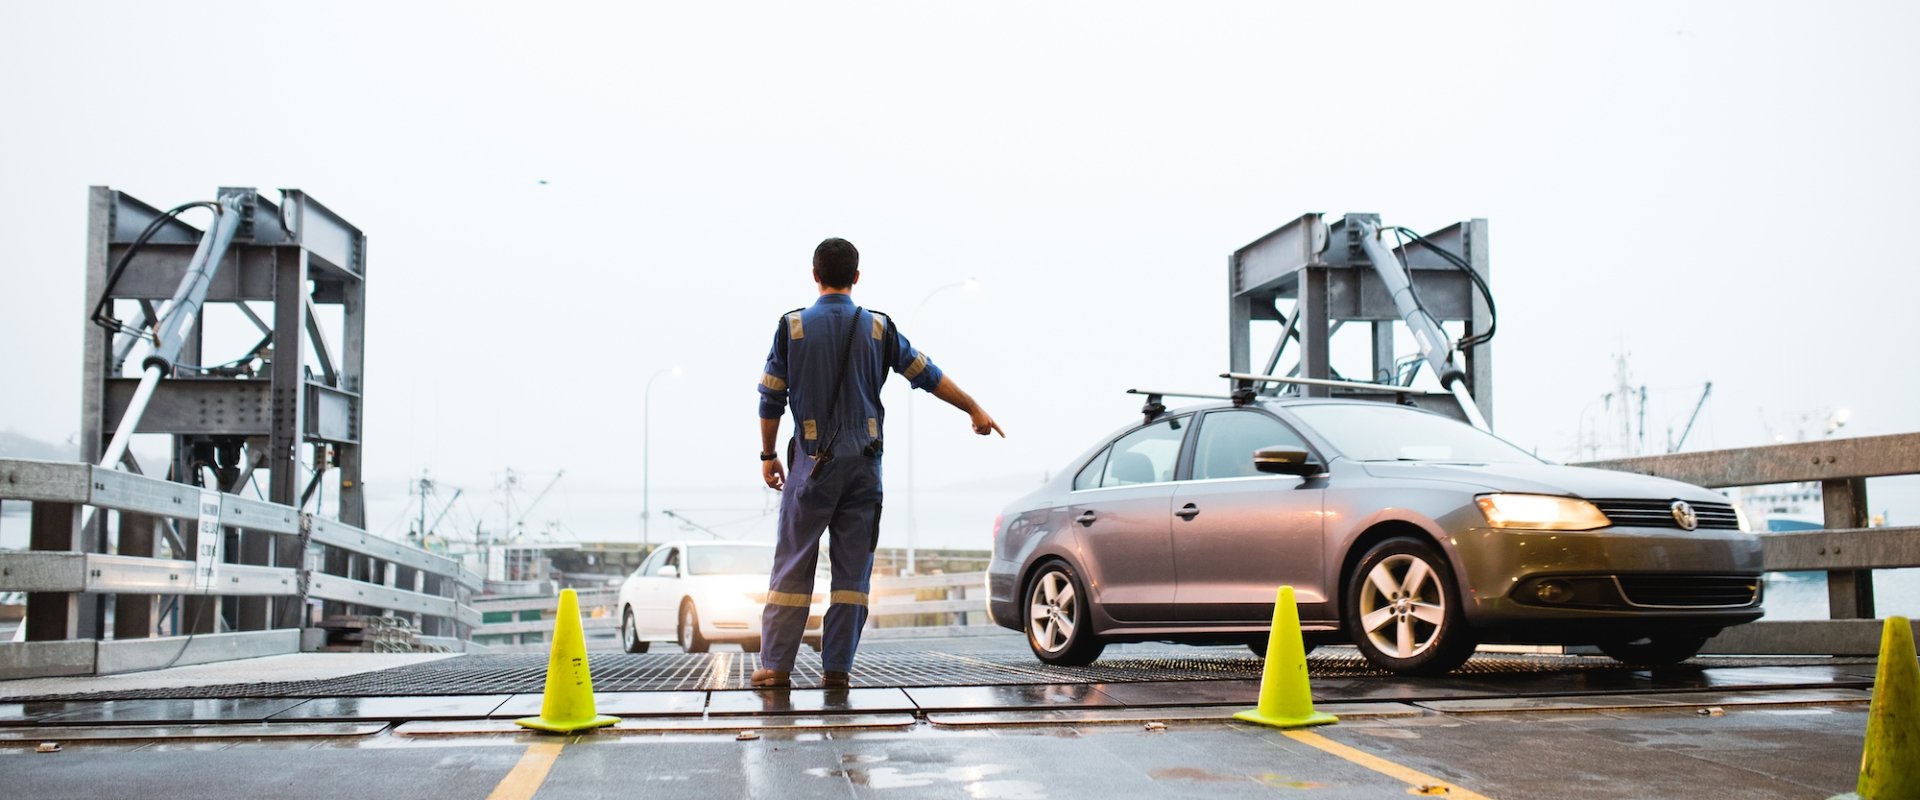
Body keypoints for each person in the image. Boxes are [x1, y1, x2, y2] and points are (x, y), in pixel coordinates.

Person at [751, 237, 1004, 689]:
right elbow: (927, 374)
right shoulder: (877, 329)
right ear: (857, 277)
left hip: (811, 466)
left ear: (815, 275)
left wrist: (769, 455)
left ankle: (775, 668)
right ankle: (837, 669)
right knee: (852, 574)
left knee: (792, 566)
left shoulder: (792, 329)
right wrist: (973, 407)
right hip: (864, 468)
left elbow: (771, 398)